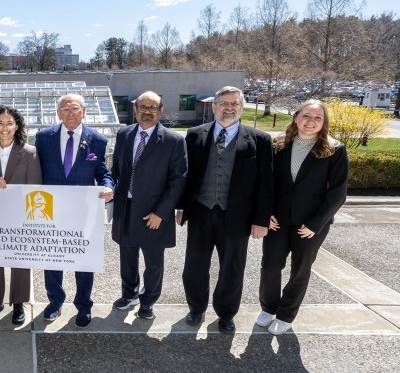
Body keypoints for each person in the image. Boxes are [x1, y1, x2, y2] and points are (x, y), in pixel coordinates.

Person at [177, 86, 273, 334]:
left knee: (232, 267)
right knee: (195, 265)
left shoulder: (259, 140)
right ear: (214, 107)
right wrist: (180, 208)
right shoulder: (195, 135)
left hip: (238, 217)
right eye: (224, 103)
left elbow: (266, 183)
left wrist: (260, 220)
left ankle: (226, 313)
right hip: (200, 211)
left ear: (241, 107)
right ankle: (196, 308)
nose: (229, 108)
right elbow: (185, 177)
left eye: (234, 104)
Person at [258, 99, 348, 335]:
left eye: (318, 118)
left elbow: (338, 193)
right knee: (270, 265)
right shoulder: (278, 145)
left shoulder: (334, 149)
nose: (311, 122)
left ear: (324, 122)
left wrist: (316, 224)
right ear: (296, 117)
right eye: (306, 116)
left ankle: (286, 314)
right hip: (277, 221)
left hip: (309, 224)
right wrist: (265, 213)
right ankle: (268, 307)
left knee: (300, 269)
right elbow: (265, 184)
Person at [34, 93, 114, 328]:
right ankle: (55, 301)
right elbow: (35, 169)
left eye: (75, 109)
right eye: (65, 109)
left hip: (84, 211)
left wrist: (109, 186)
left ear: (84, 111)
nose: (70, 113)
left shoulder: (97, 140)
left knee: (84, 260)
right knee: (52, 258)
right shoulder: (43, 137)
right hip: (51, 210)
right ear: (58, 113)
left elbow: (102, 170)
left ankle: (83, 305)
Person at [110, 91, 187, 320]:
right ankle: (129, 293)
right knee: (127, 257)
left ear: (161, 110)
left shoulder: (173, 141)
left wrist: (161, 213)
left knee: (153, 262)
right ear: (135, 110)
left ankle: (148, 301)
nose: (146, 111)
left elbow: (178, 180)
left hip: (153, 212)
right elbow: (116, 169)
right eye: (142, 107)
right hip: (126, 208)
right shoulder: (124, 134)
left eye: (152, 107)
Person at [0, 105, 42, 324]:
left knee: (20, 259)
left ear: (17, 126)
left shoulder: (29, 152)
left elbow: (35, 188)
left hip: (20, 215)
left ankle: (19, 303)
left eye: (9, 123)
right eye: (0, 123)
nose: (5, 127)